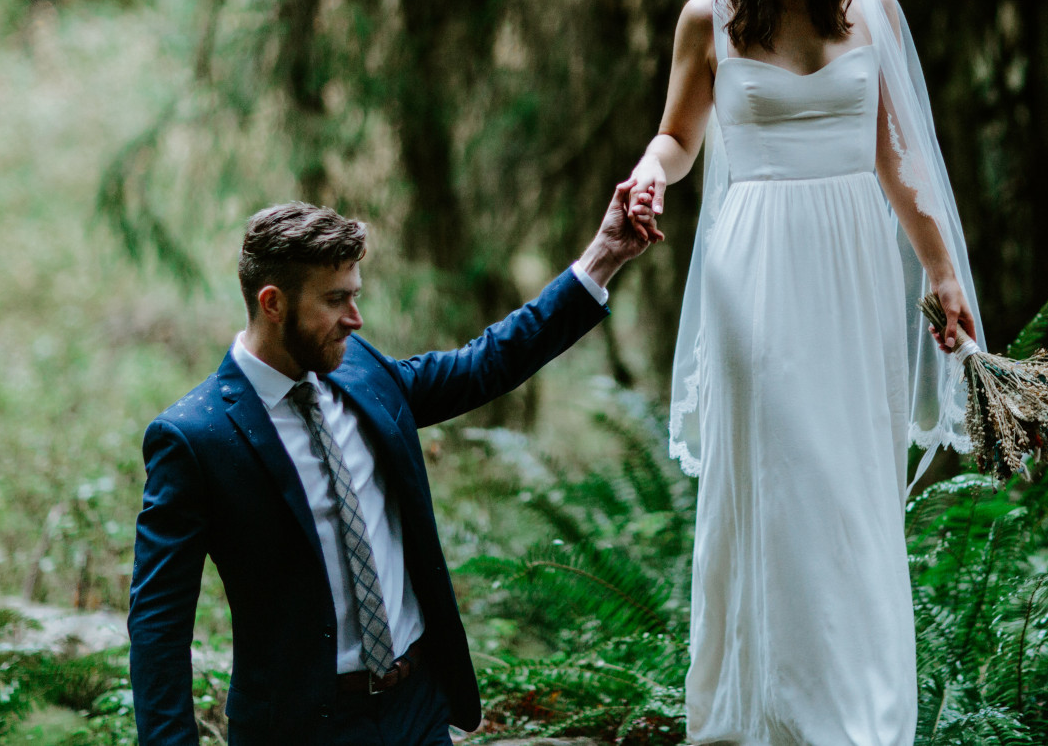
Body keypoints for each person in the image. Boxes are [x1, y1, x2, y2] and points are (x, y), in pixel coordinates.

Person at [620, 0, 985, 745]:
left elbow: (899, 156)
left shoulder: (874, 9)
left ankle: (854, 717)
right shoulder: (710, 18)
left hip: (856, 263)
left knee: (849, 483)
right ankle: (763, 712)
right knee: (777, 474)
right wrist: (650, 173)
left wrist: (940, 266)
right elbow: (679, 136)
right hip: (756, 262)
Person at [127, 183, 655, 746]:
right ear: (273, 303)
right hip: (301, 728)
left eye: (355, 294)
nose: (355, 318)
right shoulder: (194, 437)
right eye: (334, 300)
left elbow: (486, 363)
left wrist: (603, 256)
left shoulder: (363, 372)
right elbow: (159, 626)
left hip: (418, 708)